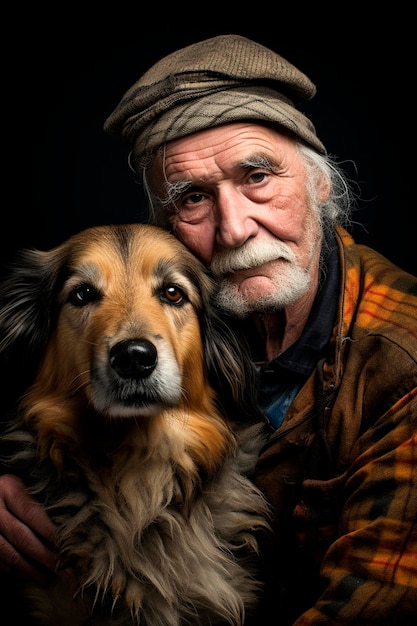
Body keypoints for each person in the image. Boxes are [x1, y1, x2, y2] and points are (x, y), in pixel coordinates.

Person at [1, 34, 416, 625]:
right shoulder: (208, 307)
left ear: (321, 183)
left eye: (258, 176)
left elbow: (378, 605)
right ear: (165, 224)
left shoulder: (406, 367)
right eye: (192, 197)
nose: (234, 228)